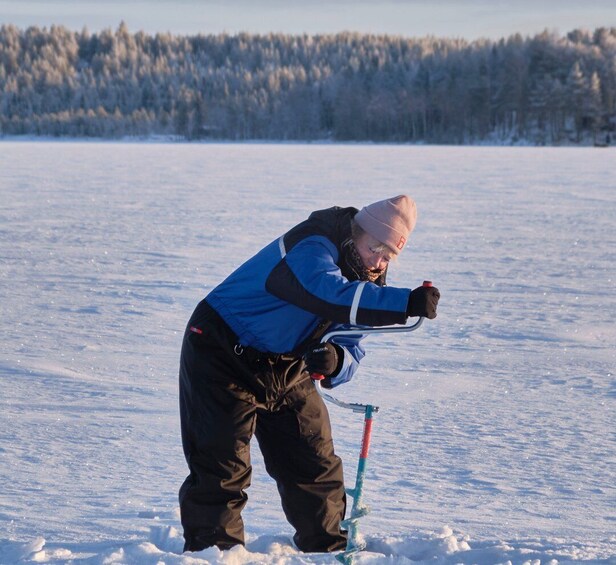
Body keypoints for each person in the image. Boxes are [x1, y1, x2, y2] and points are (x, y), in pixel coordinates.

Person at [178, 194, 440, 553]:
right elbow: (324, 292)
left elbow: (352, 344)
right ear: (355, 233)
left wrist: (335, 359)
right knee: (222, 467)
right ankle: (214, 555)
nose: (378, 261)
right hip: (222, 350)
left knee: (314, 464)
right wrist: (402, 303)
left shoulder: (368, 283)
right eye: (374, 247)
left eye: (388, 256)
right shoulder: (314, 242)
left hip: (286, 365)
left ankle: (327, 551)